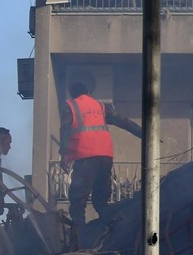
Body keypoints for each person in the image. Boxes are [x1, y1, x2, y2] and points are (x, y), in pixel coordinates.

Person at [60, 72, 142, 232]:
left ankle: (80, 238)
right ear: (88, 92)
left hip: (86, 157)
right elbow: (123, 121)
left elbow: (65, 130)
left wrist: (64, 155)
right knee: (101, 199)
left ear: (72, 94)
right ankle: (110, 230)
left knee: (78, 201)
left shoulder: (70, 106)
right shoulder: (100, 107)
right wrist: (143, 133)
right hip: (105, 156)